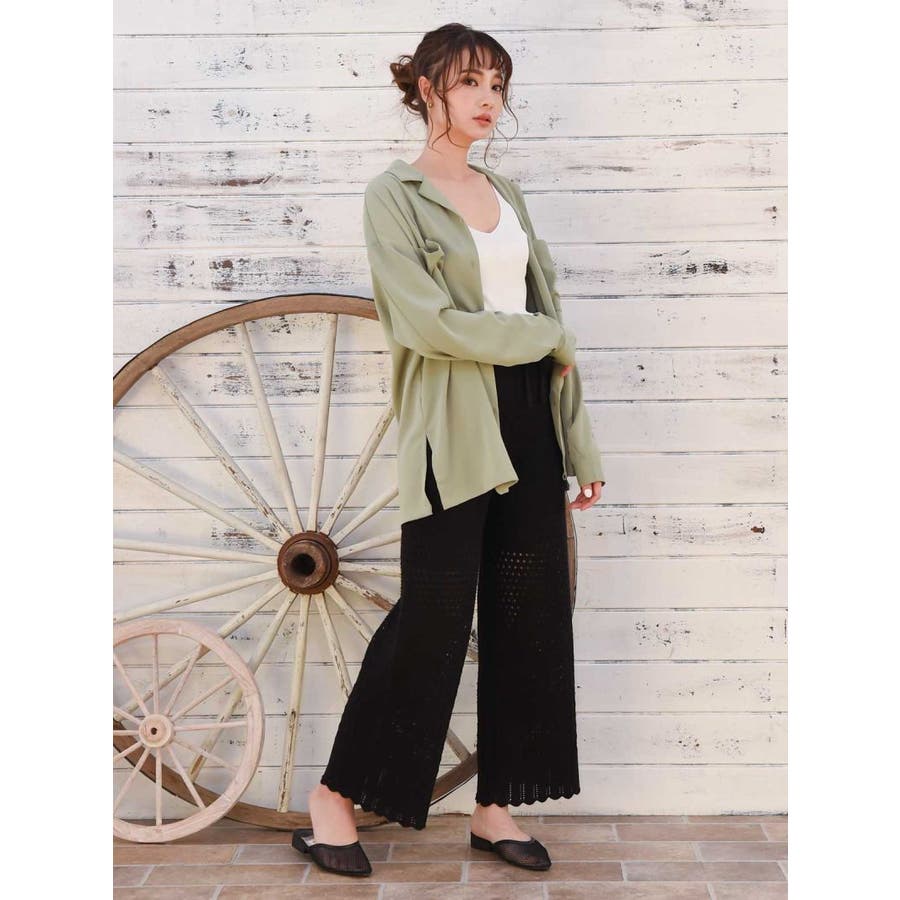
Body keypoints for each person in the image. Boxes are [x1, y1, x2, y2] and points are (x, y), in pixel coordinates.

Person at [292, 23, 605, 877]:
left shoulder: (506, 192)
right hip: (454, 421)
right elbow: (427, 322)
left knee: (527, 612)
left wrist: (579, 444)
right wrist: (539, 338)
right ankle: (335, 797)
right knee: (434, 612)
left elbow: (552, 327)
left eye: (497, 85)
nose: (488, 99)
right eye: (470, 82)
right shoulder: (393, 195)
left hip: (529, 416)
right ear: (427, 89)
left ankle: (495, 805)